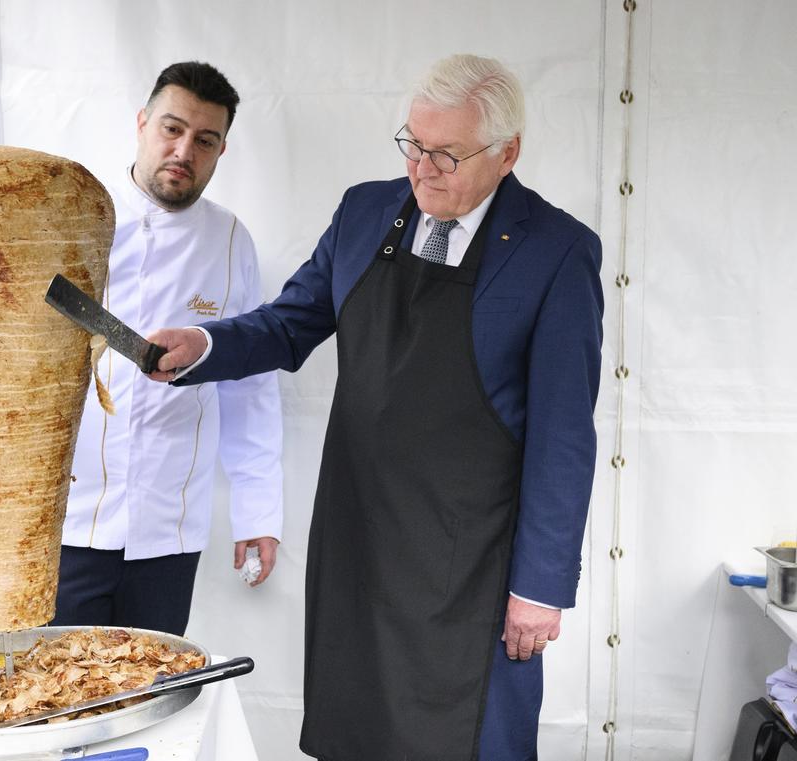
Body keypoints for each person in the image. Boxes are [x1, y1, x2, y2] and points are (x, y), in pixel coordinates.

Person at [147, 54, 603, 760]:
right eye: (413, 145)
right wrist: (204, 344)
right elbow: (288, 323)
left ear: (508, 152)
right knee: (356, 733)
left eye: (447, 154)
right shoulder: (366, 210)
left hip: (473, 561)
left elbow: (564, 436)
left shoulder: (555, 250)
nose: (423, 168)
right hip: (359, 538)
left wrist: (540, 588)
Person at [51, 61, 284, 637]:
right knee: (52, 699)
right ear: (141, 123)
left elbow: (250, 384)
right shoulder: (73, 220)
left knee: (151, 700)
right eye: (171, 129)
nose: (184, 151)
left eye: (204, 140)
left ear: (222, 150)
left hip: (169, 527)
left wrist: (258, 514)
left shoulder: (231, 240)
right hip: (68, 520)